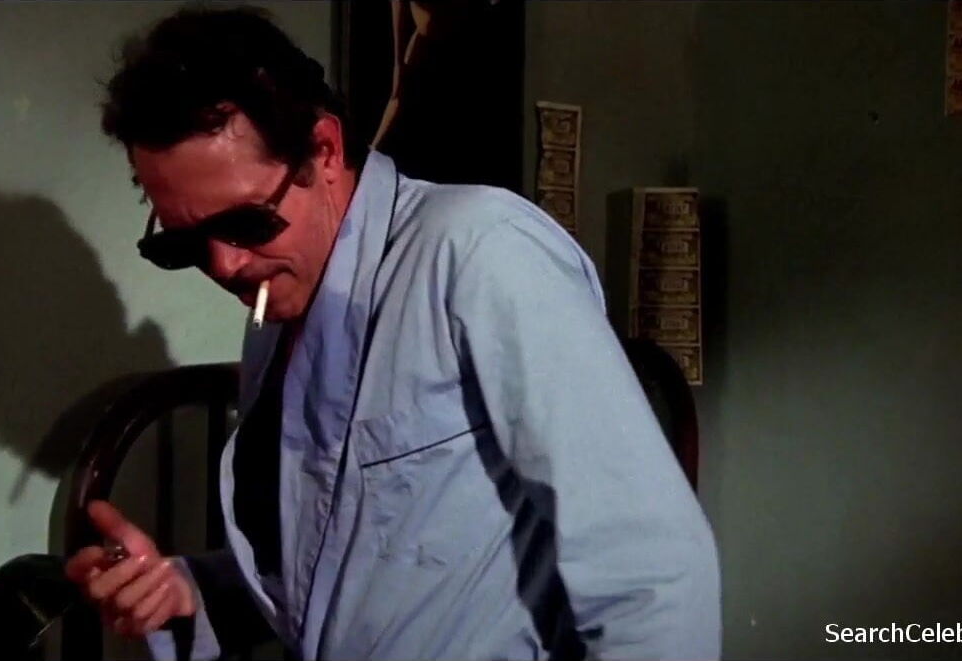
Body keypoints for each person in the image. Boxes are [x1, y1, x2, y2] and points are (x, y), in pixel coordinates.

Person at [65, 6, 721, 660]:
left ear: (324, 150)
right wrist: (185, 587)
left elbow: (650, 570)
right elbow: (339, 574)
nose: (225, 265)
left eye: (245, 224)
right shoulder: (278, 312)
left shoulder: (478, 252)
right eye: (184, 245)